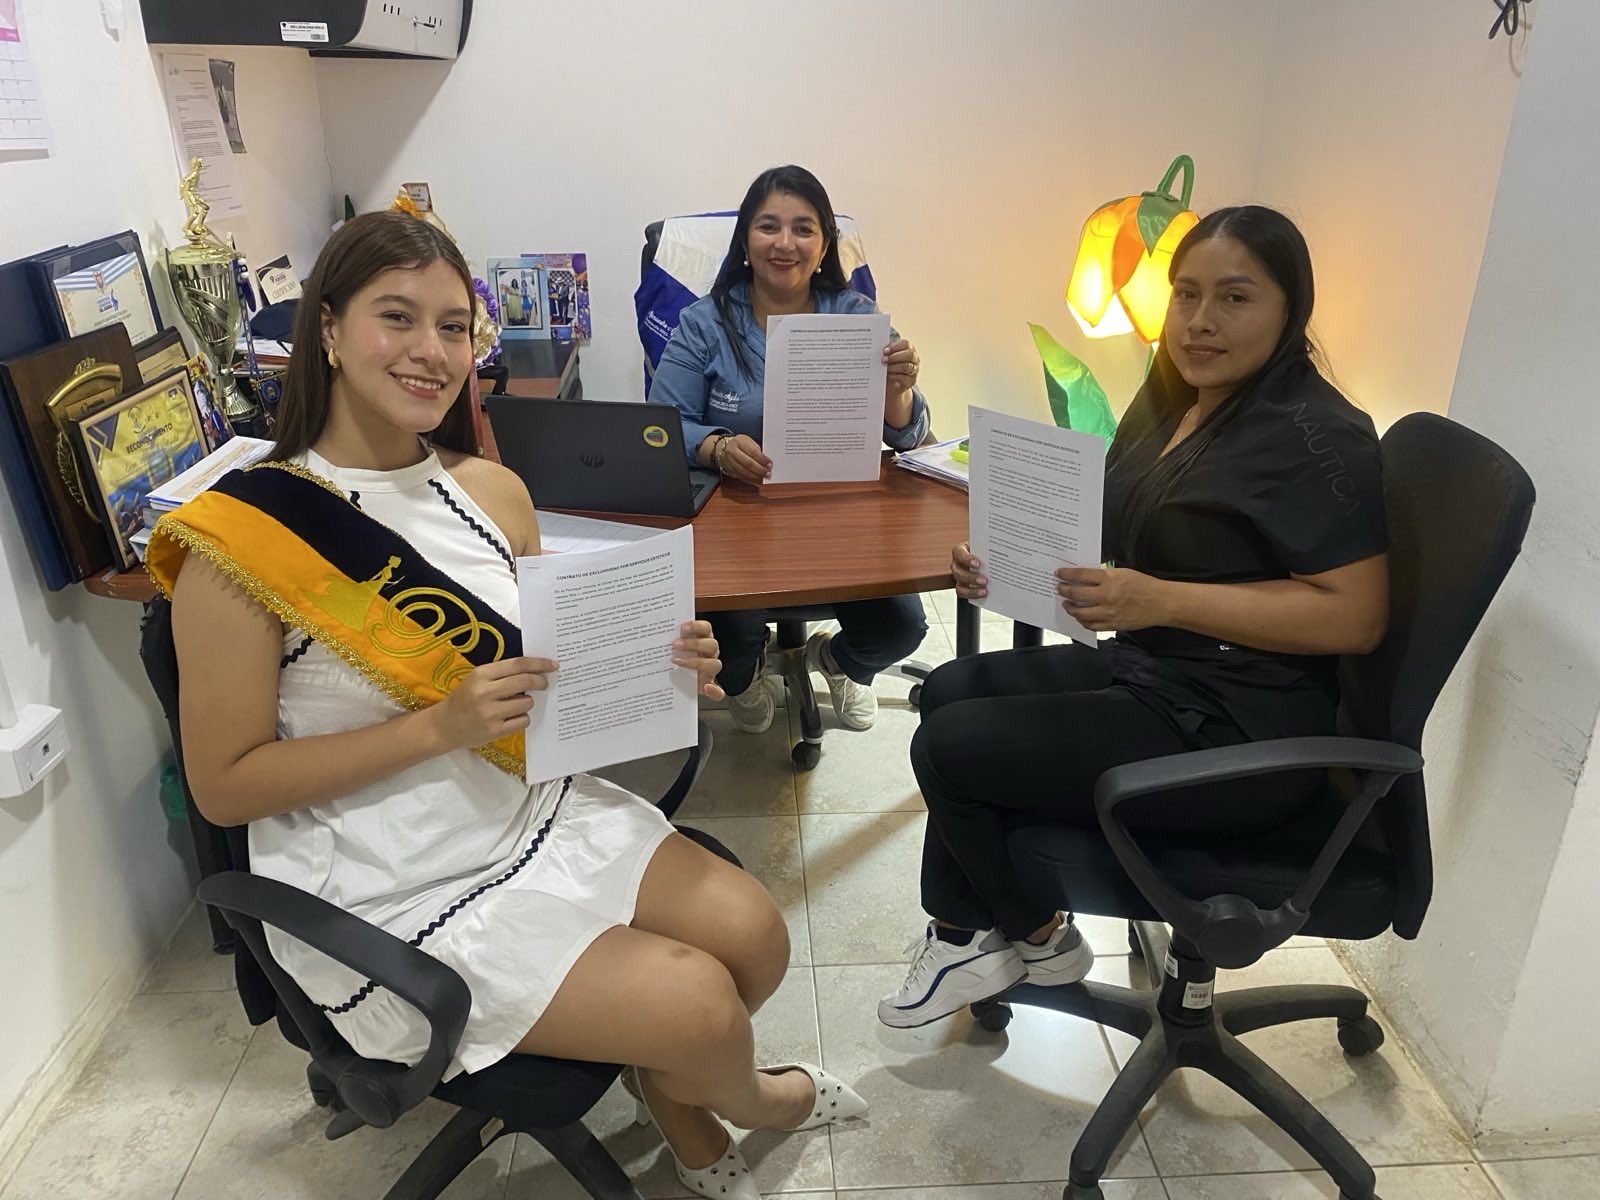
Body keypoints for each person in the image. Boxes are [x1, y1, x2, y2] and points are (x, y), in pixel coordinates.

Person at [148, 211, 866, 1200]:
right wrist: (437, 728)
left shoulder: (492, 492)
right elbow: (225, 790)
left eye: (453, 327)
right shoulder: (239, 543)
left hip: (525, 808)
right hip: (382, 878)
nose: (431, 350)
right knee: (700, 1008)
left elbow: (540, 671)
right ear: (329, 329)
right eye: (397, 317)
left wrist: (662, 666)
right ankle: (759, 1103)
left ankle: (677, 1092)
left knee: (756, 936)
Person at [881, 206, 1390, 1029]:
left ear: (1290, 309)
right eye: (1186, 294)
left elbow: (1356, 618)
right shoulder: (1173, 394)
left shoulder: (1316, 436)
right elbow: (1116, 524)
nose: (1199, 321)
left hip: (1243, 735)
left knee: (949, 748)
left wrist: (1159, 599)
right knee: (946, 690)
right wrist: (1001, 556)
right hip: (1159, 674)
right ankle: (990, 936)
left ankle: (1017, 934)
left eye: (1234, 298)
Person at [649, 165, 931, 735]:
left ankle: (838, 662)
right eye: (768, 226)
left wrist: (897, 393)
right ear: (745, 240)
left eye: (803, 229)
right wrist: (716, 447)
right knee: (727, 649)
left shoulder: (855, 317)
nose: (785, 243)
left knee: (901, 627)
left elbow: (909, 438)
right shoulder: (704, 323)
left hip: (837, 518)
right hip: (738, 519)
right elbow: (659, 428)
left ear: (825, 244)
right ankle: (747, 676)